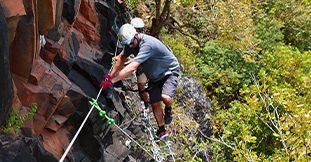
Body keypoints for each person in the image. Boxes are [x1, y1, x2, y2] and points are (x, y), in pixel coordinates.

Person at [100, 24, 180, 140]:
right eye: (128, 44)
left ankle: (168, 109)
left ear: (136, 35)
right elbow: (120, 60)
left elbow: (132, 67)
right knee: (155, 103)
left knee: (165, 97)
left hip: (169, 71)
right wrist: (109, 76)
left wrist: (112, 81)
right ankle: (161, 130)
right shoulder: (130, 43)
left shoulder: (147, 45)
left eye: (131, 43)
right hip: (154, 76)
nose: (130, 45)